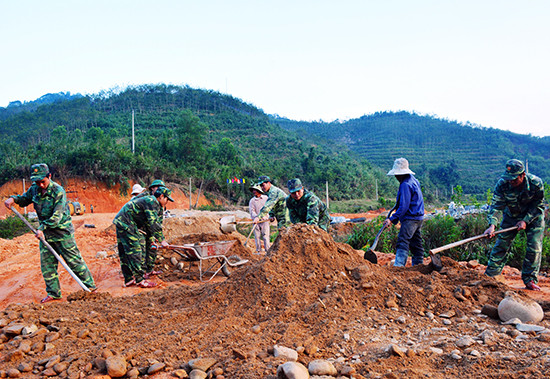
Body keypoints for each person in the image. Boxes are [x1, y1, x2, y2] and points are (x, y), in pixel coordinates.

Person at [4, 163, 96, 303]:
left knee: (74, 262)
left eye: (43, 181)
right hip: (46, 235)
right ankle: (54, 293)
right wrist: (14, 199)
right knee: (47, 266)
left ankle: (90, 287)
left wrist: (41, 228)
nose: (40, 185)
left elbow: (56, 217)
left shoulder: (58, 191)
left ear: (49, 176)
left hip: (62, 233)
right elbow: (24, 200)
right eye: (37, 182)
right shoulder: (34, 189)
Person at [483, 159, 545, 291]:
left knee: (534, 247)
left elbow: (538, 206)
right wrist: (492, 225)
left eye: (514, 179)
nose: (511, 181)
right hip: (511, 215)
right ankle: (491, 276)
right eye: (509, 178)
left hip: (533, 217)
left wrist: (525, 221)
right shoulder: (503, 184)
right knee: (501, 244)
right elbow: (497, 206)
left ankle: (530, 280)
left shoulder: (536, 183)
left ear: (522, 175)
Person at [113, 186, 173, 288]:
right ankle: (140, 280)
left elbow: (149, 225)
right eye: (167, 199)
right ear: (161, 196)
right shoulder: (152, 201)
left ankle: (128, 279)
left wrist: (153, 239)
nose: (167, 202)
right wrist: (162, 240)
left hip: (121, 221)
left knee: (124, 252)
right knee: (135, 250)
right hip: (127, 223)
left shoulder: (150, 201)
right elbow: (153, 223)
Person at [383, 158, 425, 267]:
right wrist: (394, 218)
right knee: (416, 243)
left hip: (410, 218)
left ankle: (399, 266)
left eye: (397, 174)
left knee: (403, 240)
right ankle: (418, 266)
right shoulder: (414, 180)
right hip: (418, 217)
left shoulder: (405, 184)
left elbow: (404, 207)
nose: (396, 177)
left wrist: (391, 219)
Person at [249, 184, 270, 253]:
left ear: (259, 190)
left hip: (265, 220)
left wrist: (266, 216)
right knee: (257, 236)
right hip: (256, 221)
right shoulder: (252, 201)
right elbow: (252, 211)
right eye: (253, 190)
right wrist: (256, 217)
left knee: (265, 236)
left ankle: (267, 250)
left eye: (255, 190)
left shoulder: (265, 198)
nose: (254, 191)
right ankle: (258, 251)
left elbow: (269, 208)